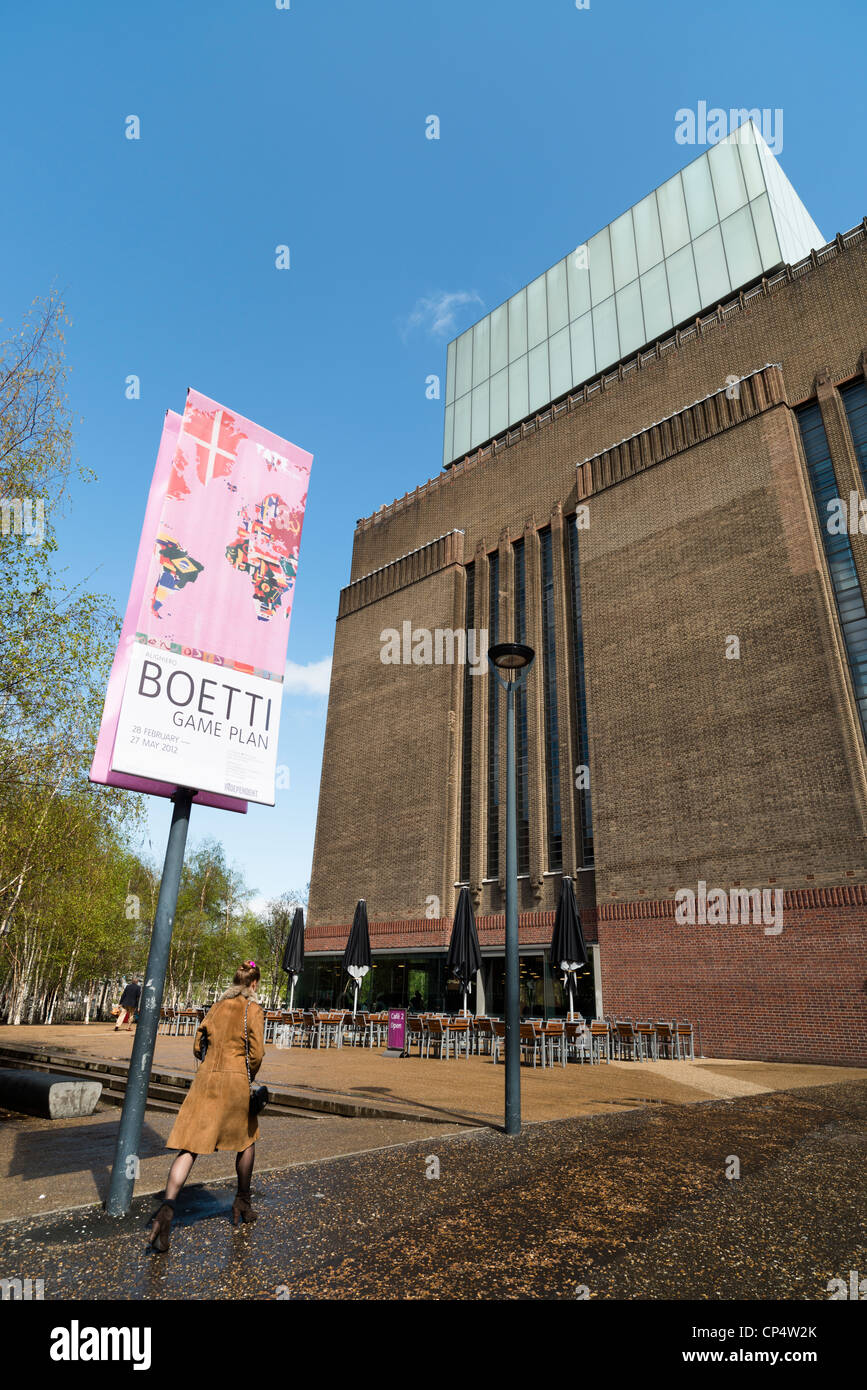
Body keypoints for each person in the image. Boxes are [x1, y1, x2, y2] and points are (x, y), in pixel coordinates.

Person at [147, 961, 265, 1252]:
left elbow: (197, 1043)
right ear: (253, 984)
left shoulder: (216, 1006)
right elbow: (257, 1052)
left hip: (206, 1080)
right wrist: (246, 1071)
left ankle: (166, 1209)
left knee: (189, 1147)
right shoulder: (253, 1010)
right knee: (245, 1141)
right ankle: (242, 1201)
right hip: (235, 1081)